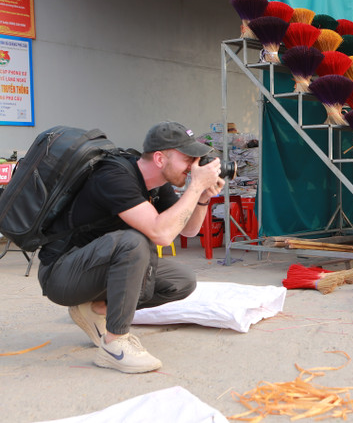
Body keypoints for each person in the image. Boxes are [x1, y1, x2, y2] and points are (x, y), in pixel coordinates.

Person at [37, 121, 225, 373]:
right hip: (61, 273)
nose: (193, 166)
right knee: (133, 241)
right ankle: (115, 345)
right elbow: (161, 234)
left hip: (93, 268)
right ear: (160, 158)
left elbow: (188, 230)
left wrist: (202, 197)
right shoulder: (114, 176)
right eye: (188, 158)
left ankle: (96, 309)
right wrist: (196, 185)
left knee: (181, 280)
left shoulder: (158, 184)